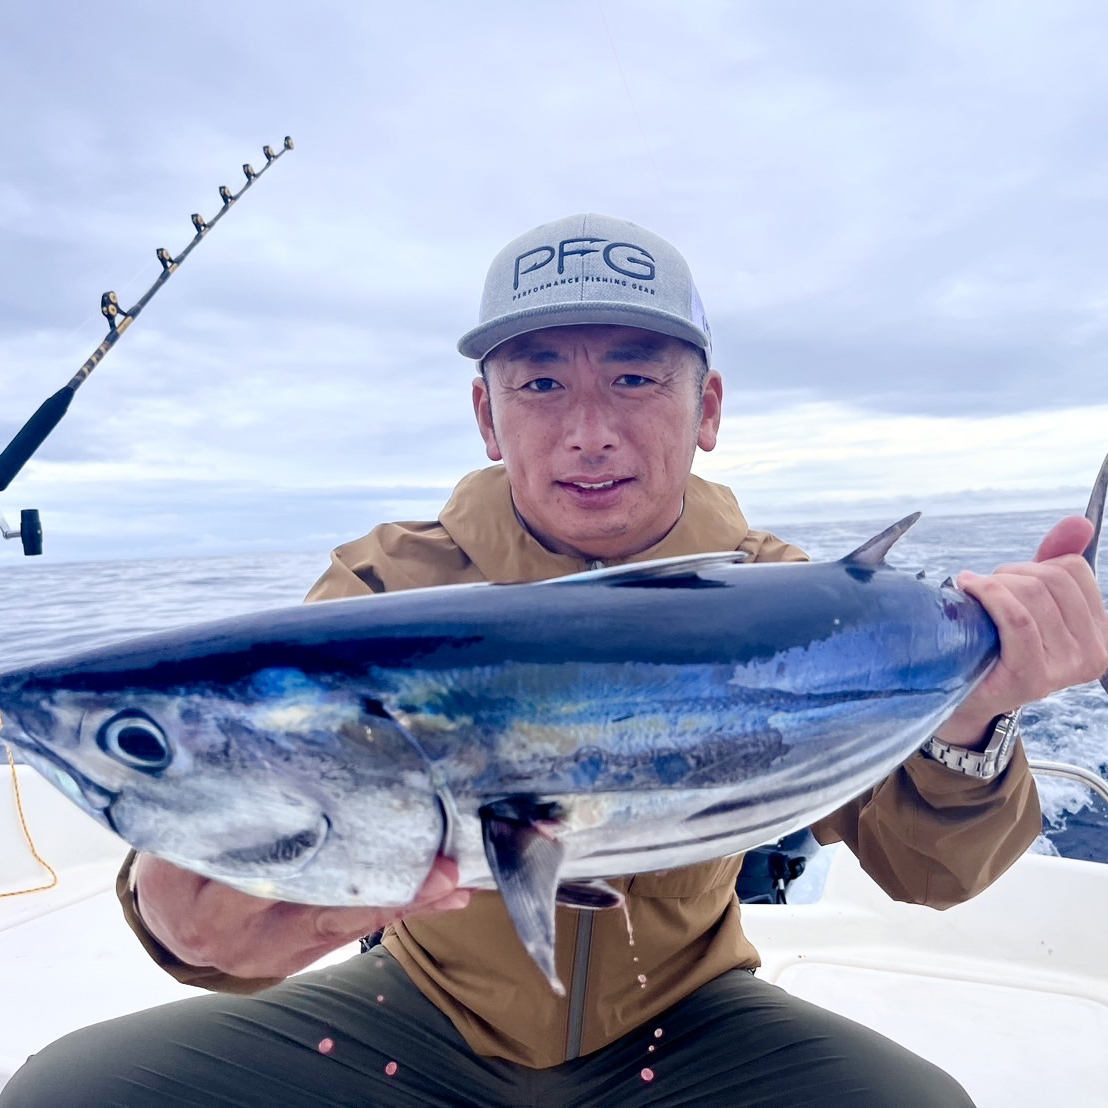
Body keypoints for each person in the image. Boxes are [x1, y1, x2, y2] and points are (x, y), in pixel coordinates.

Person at [4, 213, 1106, 1107]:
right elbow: (253, 794)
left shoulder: (810, 600)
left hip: (691, 1019)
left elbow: (932, 876)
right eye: (538, 384)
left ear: (705, 406)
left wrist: (977, 715)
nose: (588, 432)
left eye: (634, 379)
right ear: (486, 415)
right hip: (421, 1009)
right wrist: (176, 916)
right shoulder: (386, 585)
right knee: (68, 1091)